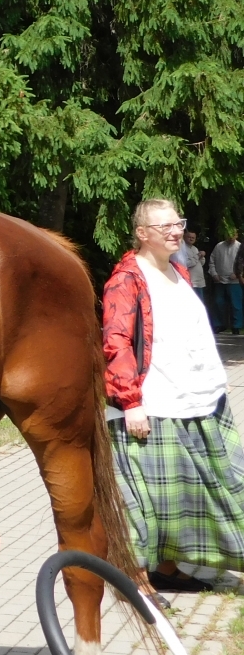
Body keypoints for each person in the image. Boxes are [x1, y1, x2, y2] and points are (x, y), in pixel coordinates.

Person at [101, 198, 244, 593]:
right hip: (154, 406)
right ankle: (137, 579)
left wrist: (214, 377)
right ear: (142, 233)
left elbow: (192, 333)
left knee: (199, 489)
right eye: (163, 225)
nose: (174, 230)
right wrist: (130, 403)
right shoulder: (127, 280)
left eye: (177, 222)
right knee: (149, 501)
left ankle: (167, 569)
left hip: (198, 400)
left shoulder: (178, 271)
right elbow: (116, 343)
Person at [209, 228, 242, 334]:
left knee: (236, 305)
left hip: (235, 281)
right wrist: (214, 274)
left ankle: (237, 326)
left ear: (236, 235)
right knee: (219, 303)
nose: (230, 236)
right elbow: (212, 261)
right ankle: (219, 324)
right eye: (228, 234)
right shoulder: (219, 246)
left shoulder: (240, 247)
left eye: (233, 234)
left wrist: (238, 274)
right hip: (220, 280)